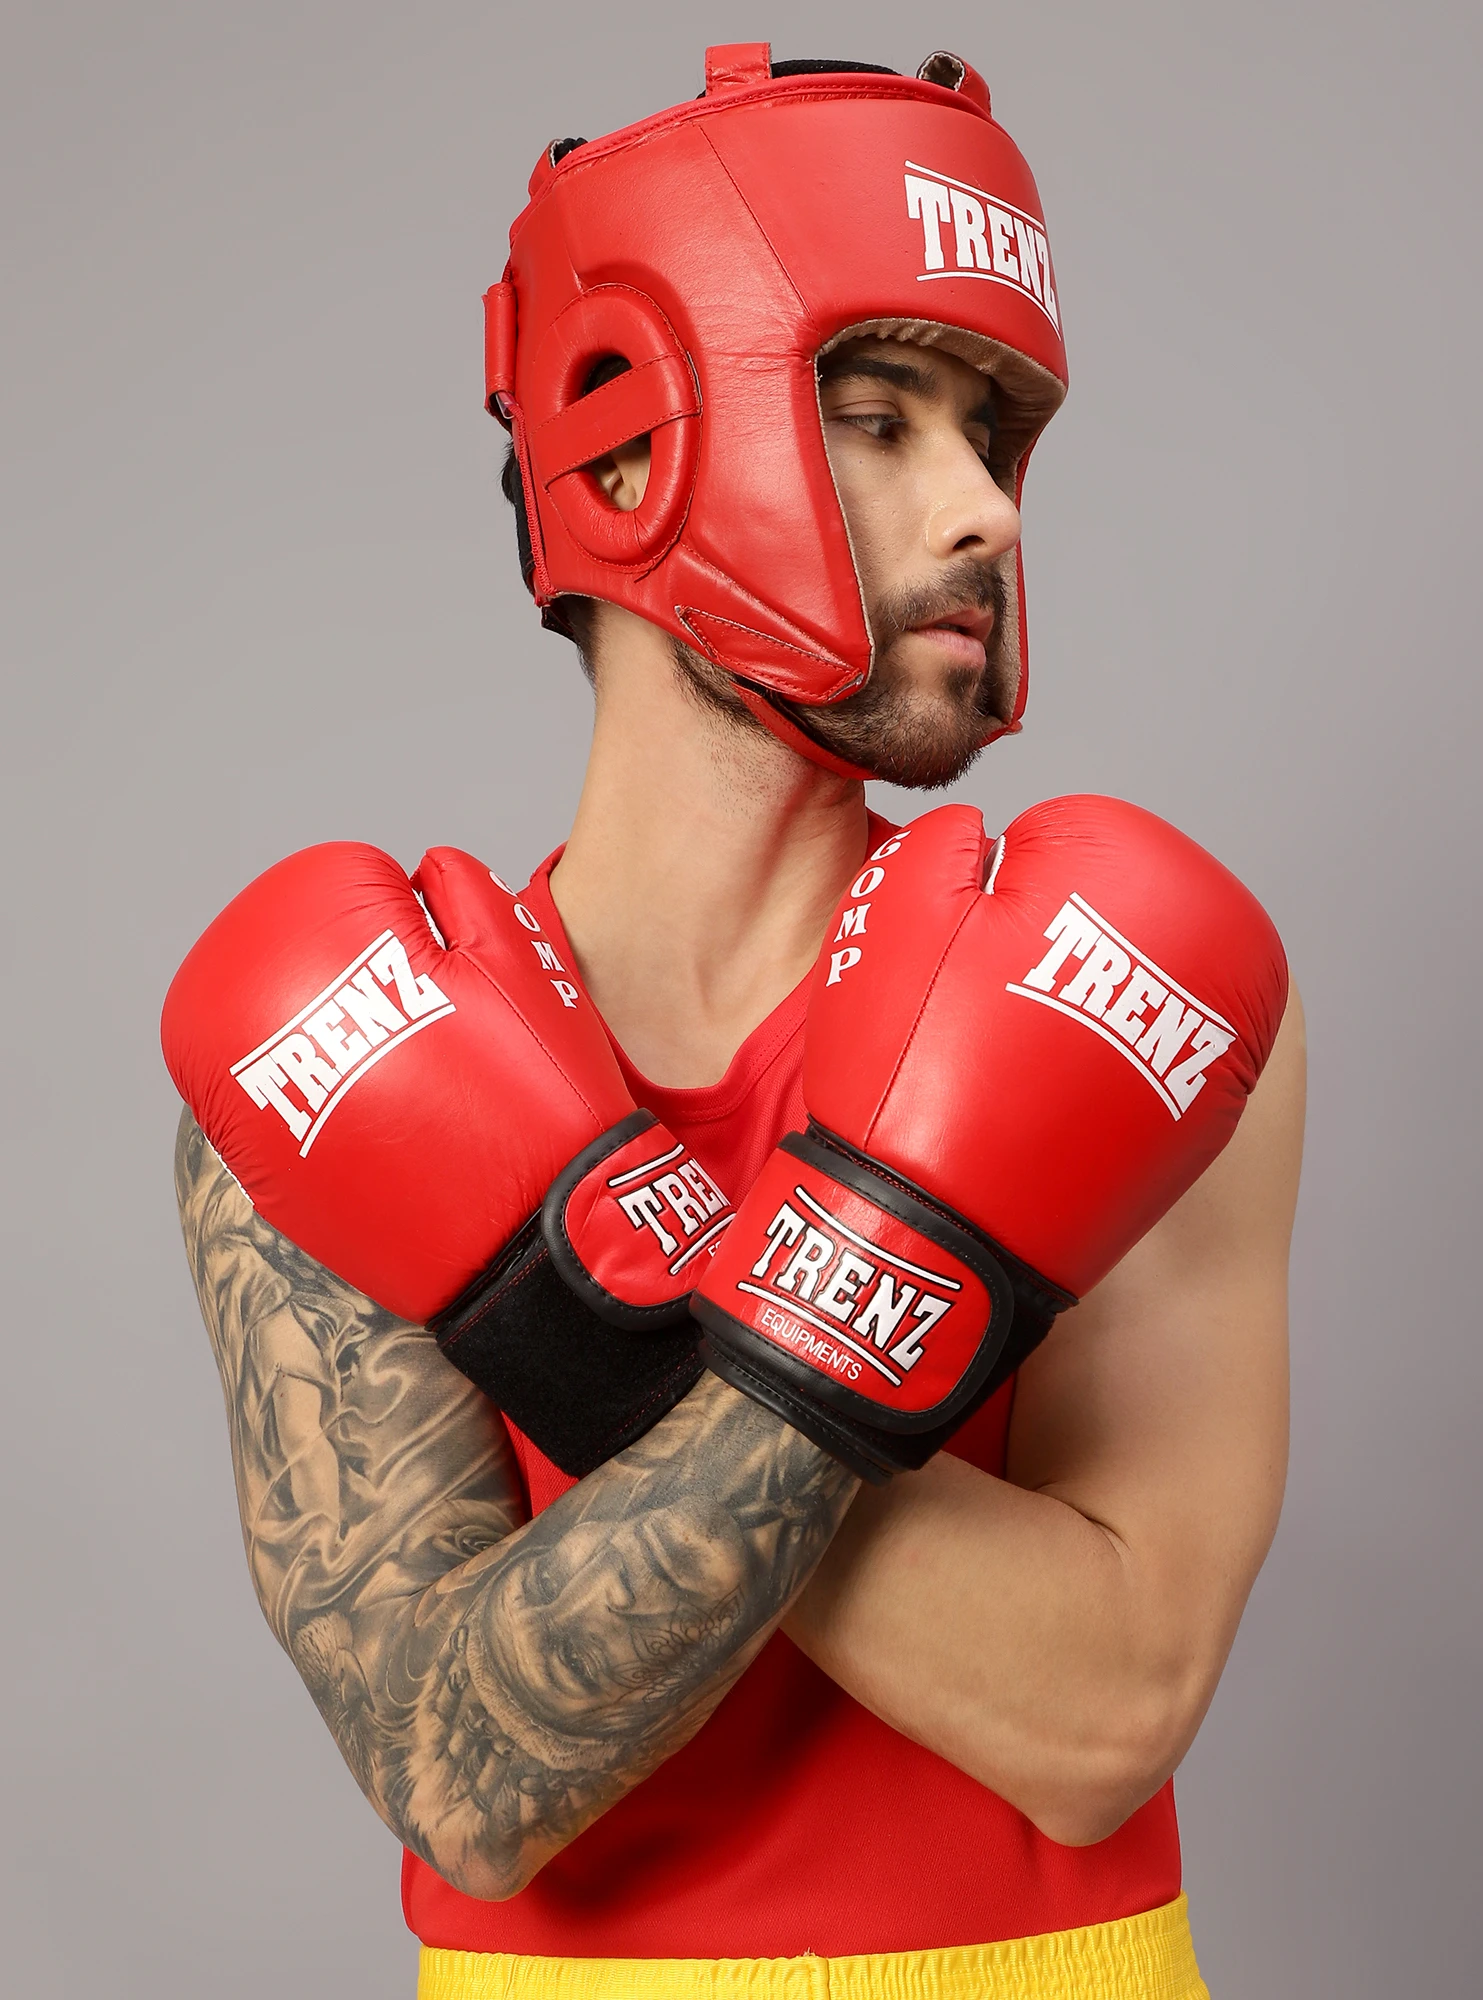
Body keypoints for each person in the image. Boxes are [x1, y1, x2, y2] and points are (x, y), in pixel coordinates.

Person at [168, 45, 1305, 2000]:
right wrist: (799, 1333)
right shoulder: (341, 1048)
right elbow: (459, 1771)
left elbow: (1107, 1708)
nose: (987, 508)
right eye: (878, 419)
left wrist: (594, 1316)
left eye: (995, 434)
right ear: (625, 454)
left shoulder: (1125, 998)